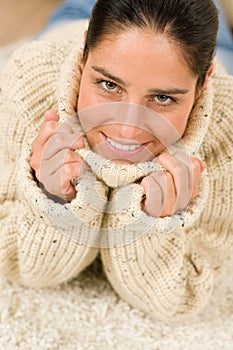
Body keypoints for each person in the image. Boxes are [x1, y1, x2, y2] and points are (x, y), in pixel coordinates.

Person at [0, 0, 232, 323]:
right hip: (79, 19)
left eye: (163, 98)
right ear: (83, 55)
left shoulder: (225, 126)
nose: (126, 129)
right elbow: (16, 263)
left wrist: (153, 222)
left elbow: (180, 298)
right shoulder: (29, 84)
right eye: (109, 85)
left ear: (203, 83)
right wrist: (54, 201)